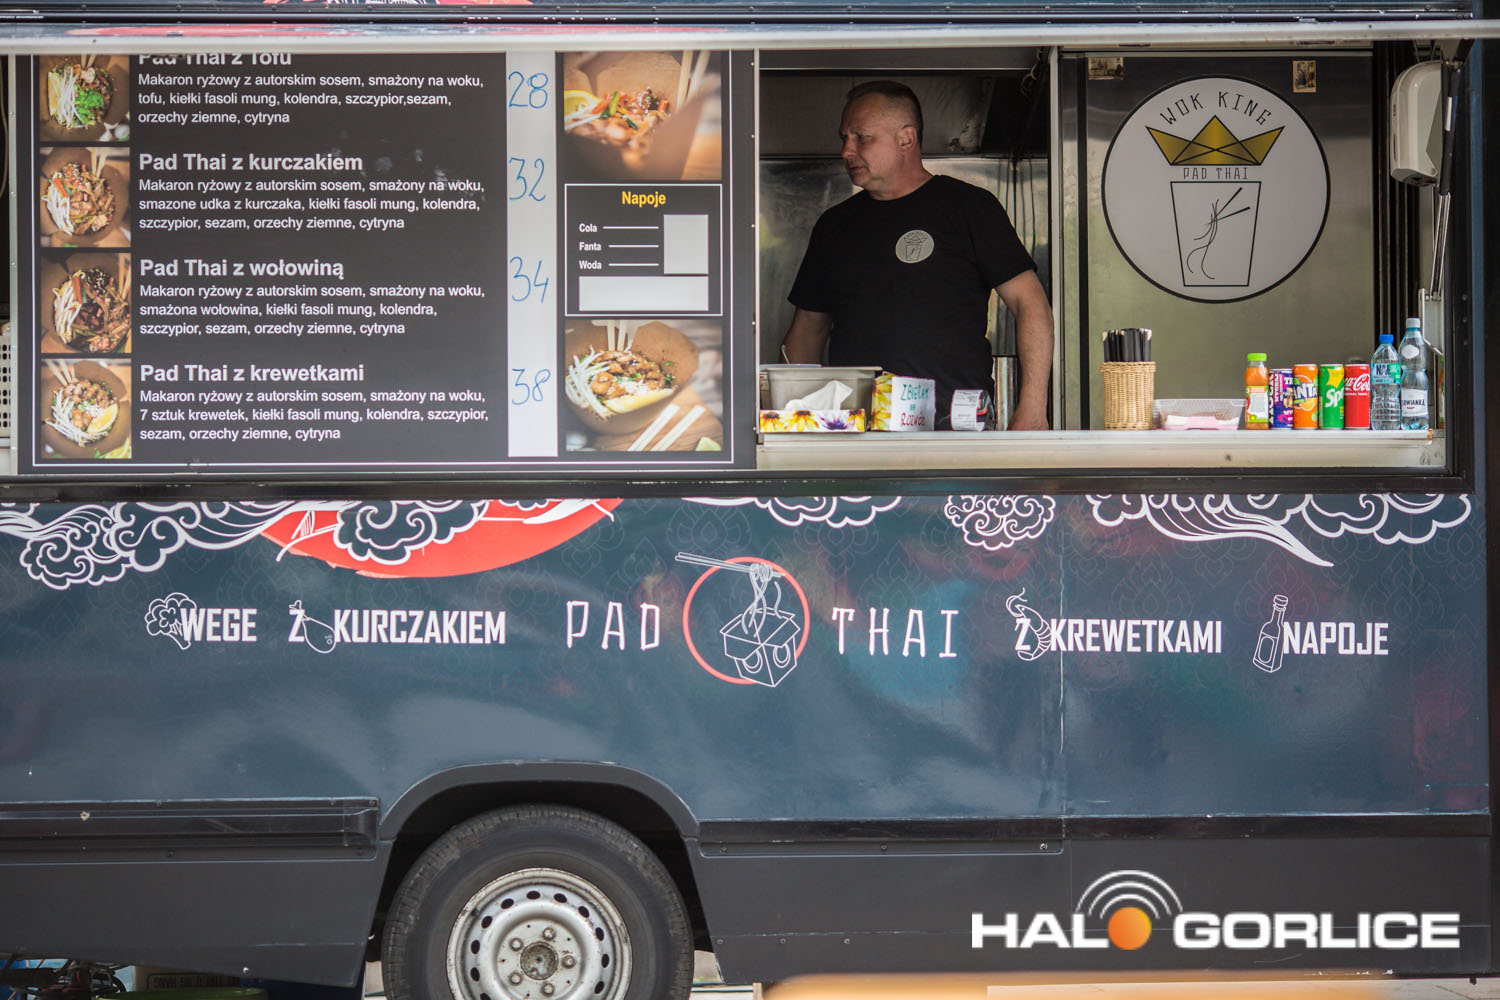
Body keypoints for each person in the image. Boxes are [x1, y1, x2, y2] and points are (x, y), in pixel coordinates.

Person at [781, 80, 1054, 430]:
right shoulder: (834, 226)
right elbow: (807, 333)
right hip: (853, 435)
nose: (847, 150)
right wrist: (795, 417)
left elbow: (1030, 304)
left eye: (861, 137)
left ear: (906, 139)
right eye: (844, 138)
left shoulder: (968, 208)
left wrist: (1033, 407)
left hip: (954, 432)